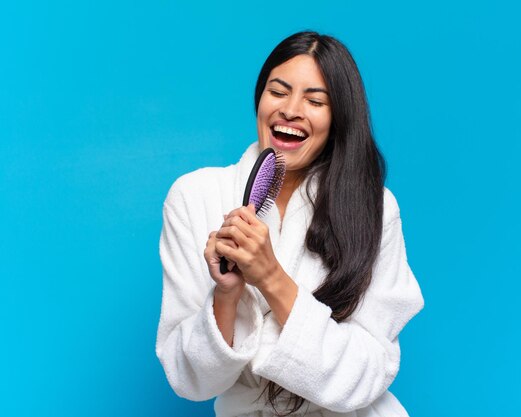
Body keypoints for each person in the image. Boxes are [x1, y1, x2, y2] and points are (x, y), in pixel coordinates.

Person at [156, 31, 424, 417]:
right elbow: (189, 379)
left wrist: (271, 277)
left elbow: (366, 373)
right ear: (259, 99)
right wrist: (227, 294)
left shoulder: (374, 207)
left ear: (338, 119)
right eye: (278, 91)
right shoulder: (193, 196)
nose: (291, 110)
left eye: (315, 101)